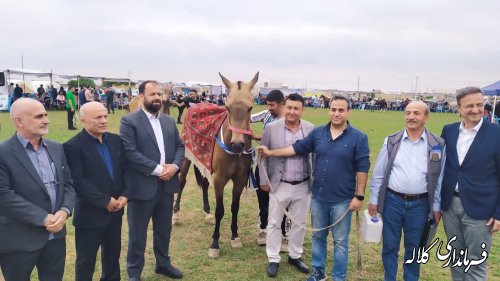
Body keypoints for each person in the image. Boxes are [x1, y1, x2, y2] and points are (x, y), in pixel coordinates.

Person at [258, 95, 370, 281]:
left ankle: (338, 277)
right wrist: (271, 152)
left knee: (340, 242)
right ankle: (317, 272)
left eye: (341, 110)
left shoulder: (358, 137)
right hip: (316, 195)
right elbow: (297, 148)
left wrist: (359, 196)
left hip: (339, 198)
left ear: (348, 112)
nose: (336, 113)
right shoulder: (318, 133)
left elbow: (363, 167)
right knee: (316, 236)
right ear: (329, 111)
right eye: (333, 109)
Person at [369, 101, 445, 281]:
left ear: (426, 117)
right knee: (390, 246)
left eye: (416, 113)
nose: (411, 117)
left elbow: (439, 178)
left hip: (420, 205)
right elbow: (379, 173)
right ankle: (390, 278)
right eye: (408, 113)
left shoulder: (437, 144)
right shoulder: (392, 140)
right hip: (392, 202)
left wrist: (436, 206)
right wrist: (373, 199)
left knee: (415, 247)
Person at [0, 98, 75, 281]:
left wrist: (65, 211)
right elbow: (3, 194)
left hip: (55, 238)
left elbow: (68, 184)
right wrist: (41, 217)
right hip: (19, 239)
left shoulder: (56, 148)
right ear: (19, 121)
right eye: (39, 116)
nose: (46, 120)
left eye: (46, 115)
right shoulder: (3, 152)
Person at [120, 80, 185, 280]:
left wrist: (174, 167)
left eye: (159, 94)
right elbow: (130, 153)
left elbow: (180, 147)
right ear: (142, 97)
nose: (157, 98)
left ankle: (163, 264)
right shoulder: (129, 121)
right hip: (142, 188)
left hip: (166, 187)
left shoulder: (168, 121)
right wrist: (158, 170)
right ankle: (134, 272)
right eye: (152, 94)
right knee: (138, 234)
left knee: (163, 230)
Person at [440, 87, 500, 281]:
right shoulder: (448, 131)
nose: (476, 109)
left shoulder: (496, 133)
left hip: (481, 208)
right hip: (450, 205)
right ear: (459, 108)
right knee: (457, 258)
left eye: (479, 105)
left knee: (476, 262)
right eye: (470, 106)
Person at [63, 102, 127, 281]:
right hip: (90, 216)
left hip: (116, 212)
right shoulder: (72, 146)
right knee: (86, 261)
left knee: (113, 256)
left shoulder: (115, 140)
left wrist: (124, 195)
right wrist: (105, 201)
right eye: (98, 117)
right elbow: (78, 181)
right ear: (83, 120)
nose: (104, 120)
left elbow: (124, 171)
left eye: (105, 116)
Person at [259, 94, 314, 278]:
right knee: (274, 222)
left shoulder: (309, 129)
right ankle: (273, 258)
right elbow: (262, 155)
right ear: (285, 107)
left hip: (303, 184)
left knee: (299, 223)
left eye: (296, 108)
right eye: (289, 107)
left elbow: (313, 156)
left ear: (302, 110)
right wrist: (263, 181)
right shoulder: (271, 128)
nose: (292, 112)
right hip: (278, 184)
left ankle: (294, 255)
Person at [250, 89, 286, 247]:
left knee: (283, 198)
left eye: (272, 105)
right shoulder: (265, 115)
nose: (270, 107)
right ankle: (263, 228)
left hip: (282, 164)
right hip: (264, 162)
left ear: (281, 104)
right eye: (268, 105)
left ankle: (284, 232)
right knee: (262, 196)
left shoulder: (289, 119)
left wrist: (255, 136)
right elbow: (247, 117)